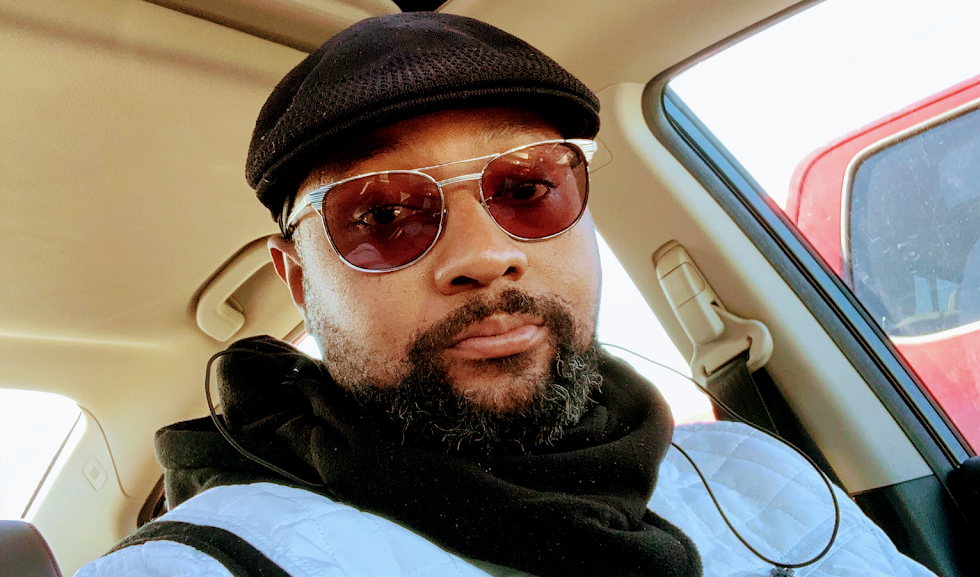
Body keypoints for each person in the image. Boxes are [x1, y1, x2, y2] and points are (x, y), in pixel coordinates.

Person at [76, 12, 936, 577]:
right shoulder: (212, 557)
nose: (486, 257)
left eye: (527, 189)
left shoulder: (757, 472)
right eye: (383, 214)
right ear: (299, 279)